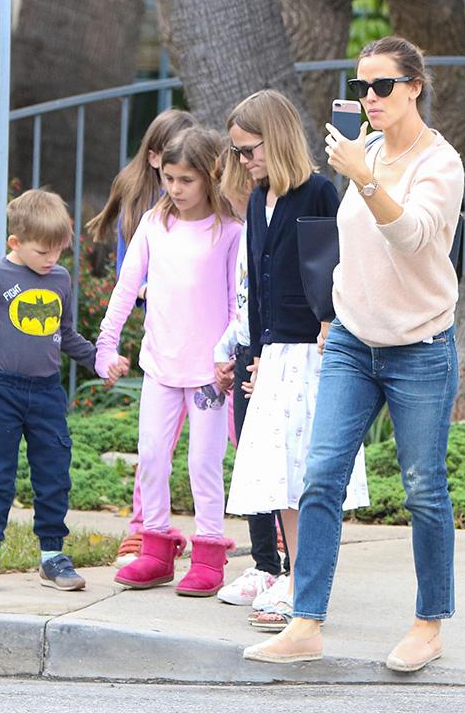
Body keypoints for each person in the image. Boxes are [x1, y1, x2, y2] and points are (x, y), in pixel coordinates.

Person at [243, 37, 464, 670]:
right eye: (361, 86)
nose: (369, 98)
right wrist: (330, 312)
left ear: (414, 86)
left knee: (423, 488)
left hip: (419, 347)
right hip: (348, 342)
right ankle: (306, 620)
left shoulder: (438, 164)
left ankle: (428, 623)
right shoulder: (361, 150)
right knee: (320, 476)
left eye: (383, 86)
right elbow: (348, 245)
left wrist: (366, 181)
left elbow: (415, 239)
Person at [224, 89, 369, 631]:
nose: (244, 161)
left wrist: (332, 320)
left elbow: (343, 260)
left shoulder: (319, 194)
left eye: (249, 149)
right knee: (279, 470)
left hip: (317, 349)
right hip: (276, 353)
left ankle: (306, 578)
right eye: (238, 152)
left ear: (277, 139)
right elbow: (257, 288)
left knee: (309, 468)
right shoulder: (259, 201)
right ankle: (290, 571)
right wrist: (257, 353)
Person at [95, 127, 242, 596]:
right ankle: (156, 549)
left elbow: (239, 303)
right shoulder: (154, 224)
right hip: (159, 367)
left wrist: (229, 356)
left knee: (203, 462)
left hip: (208, 376)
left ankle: (210, 551)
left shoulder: (229, 231)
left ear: (210, 177)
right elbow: (126, 285)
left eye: (186, 180)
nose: (175, 190)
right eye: (169, 179)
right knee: (153, 458)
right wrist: (106, 343)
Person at [0, 188, 111, 593]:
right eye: (43, 251)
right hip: (1, 390)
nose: (52, 260)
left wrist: (99, 361)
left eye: (58, 251)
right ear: (15, 243)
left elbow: (67, 333)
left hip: (46, 394)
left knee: (53, 475)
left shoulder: (59, 278)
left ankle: (52, 556)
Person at [86, 108, 198, 568]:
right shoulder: (139, 202)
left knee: (237, 432)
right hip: (164, 339)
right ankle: (143, 530)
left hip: (209, 341)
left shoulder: (211, 209)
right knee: (155, 443)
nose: (179, 184)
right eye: (171, 169)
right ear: (154, 159)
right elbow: (126, 274)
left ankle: (273, 522)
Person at [211, 144, 290, 607]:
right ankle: (263, 563)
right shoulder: (245, 232)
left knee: (273, 459)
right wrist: (228, 350)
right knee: (249, 457)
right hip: (246, 352)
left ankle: (285, 564)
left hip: (272, 355)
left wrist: (260, 353)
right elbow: (244, 303)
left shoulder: (266, 224)